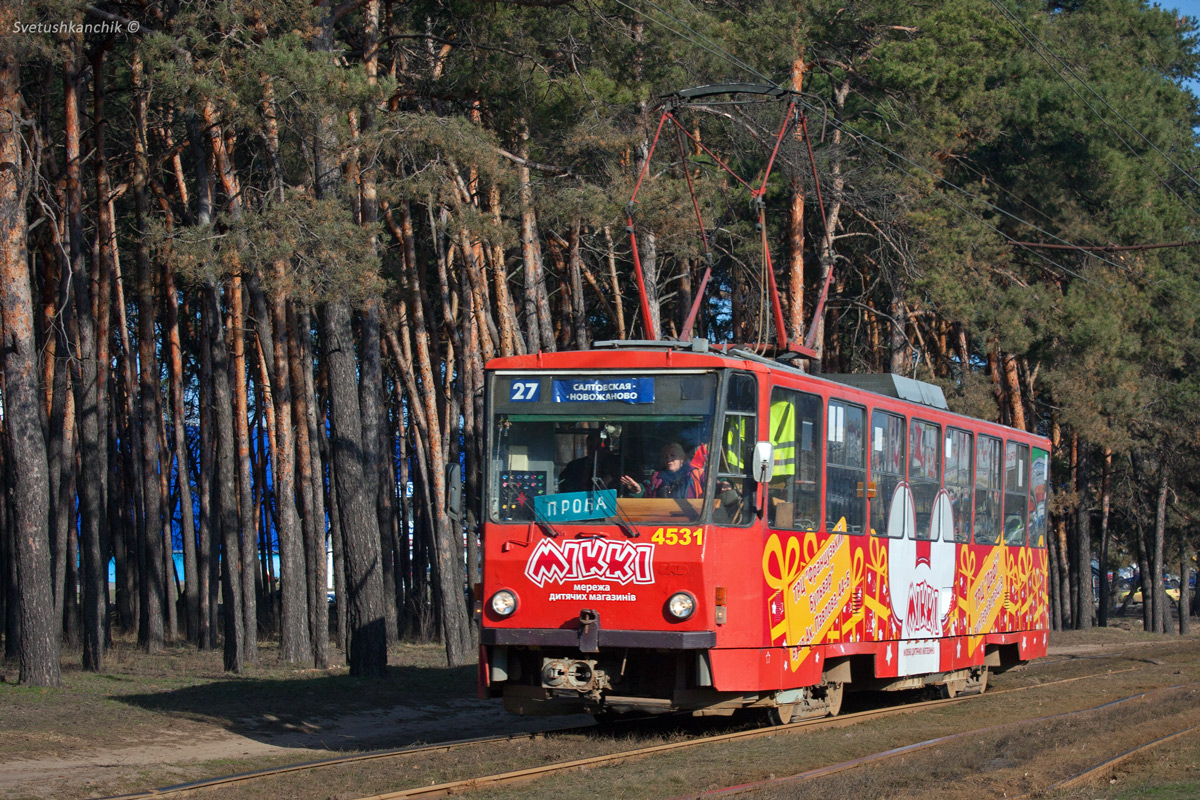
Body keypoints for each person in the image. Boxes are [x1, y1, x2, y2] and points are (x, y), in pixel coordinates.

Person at [622, 442, 704, 499]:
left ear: (682, 458)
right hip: (659, 517)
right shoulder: (656, 478)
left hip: (690, 518)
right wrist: (639, 490)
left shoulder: (696, 475)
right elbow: (647, 495)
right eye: (666, 457)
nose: (669, 459)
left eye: (673, 455)